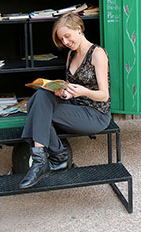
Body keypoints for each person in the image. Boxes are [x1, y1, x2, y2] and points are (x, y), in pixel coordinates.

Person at [19, 12, 112, 189]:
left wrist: (83, 91)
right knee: (40, 96)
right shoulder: (71, 54)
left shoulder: (98, 54)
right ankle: (49, 158)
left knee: (36, 109)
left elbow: (104, 95)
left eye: (67, 36)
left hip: (96, 114)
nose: (65, 42)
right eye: (62, 39)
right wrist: (63, 91)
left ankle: (49, 159)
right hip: (75, 107)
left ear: (78, 29)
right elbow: (71, 87)